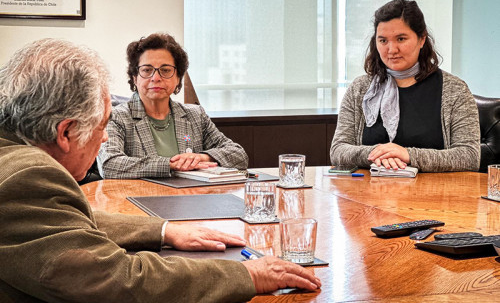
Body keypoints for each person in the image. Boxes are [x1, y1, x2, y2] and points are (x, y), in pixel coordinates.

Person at [0, 38, 321, 302]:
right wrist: (246, 274)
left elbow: (68, 218)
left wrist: (164, 231)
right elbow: (118, 280)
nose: (106, 135)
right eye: (101, 126)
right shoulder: (29, 175)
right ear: (65, 133)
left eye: (165, 70)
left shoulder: (18, 163)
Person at [330, 0, 480, 172]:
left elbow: (469, 156)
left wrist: (408, 154)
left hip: (434, 195)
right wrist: (379, 153)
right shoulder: (359, 88)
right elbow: (338, 150)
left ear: (422, 39)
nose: (391, 49)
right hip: (369, 193)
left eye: (401, 39)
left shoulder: (455, 90)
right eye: (383, 41)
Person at [97, 33, 248, 179]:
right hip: (136, 200)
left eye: (165, 70)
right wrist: (169, 165)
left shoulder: (195, 115)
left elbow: (239, 156)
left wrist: (203, 157)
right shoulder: (116, 116)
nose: (156, 78)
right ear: (135, 78)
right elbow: (109, 165)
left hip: (190, 200)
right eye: (147, 70)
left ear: (178, 78)